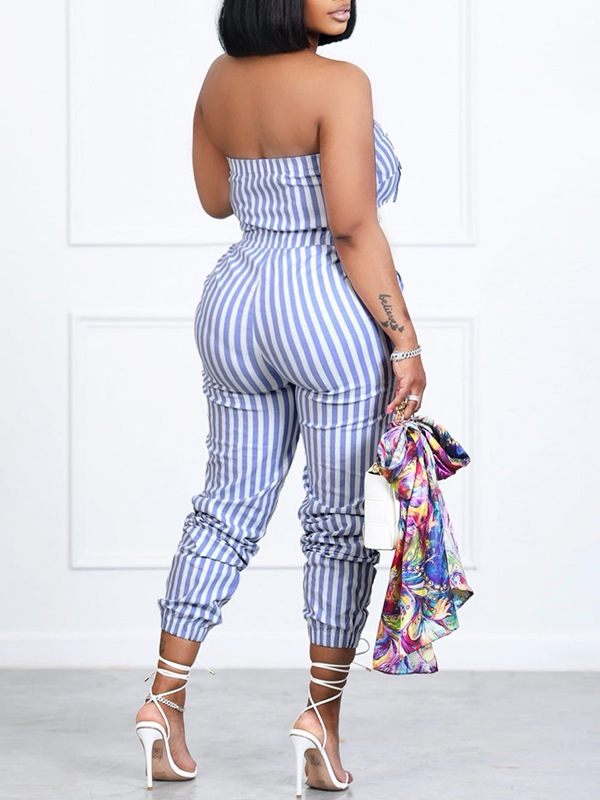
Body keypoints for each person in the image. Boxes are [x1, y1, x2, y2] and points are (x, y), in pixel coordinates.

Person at [134, 0, 426, 793]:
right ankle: (320, 723)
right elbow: (352, 227)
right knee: (335, 523)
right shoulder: (341, 82)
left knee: (224, 508)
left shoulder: (218, 79)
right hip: (325, 306)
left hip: (236, 300)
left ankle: (164, 700)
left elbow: (216, 199)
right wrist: (404, 341)